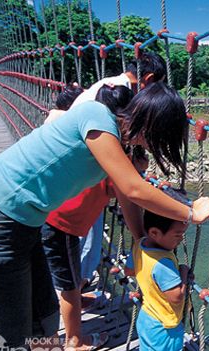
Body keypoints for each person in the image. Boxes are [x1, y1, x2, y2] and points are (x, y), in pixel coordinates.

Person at [0, 82, 209, 351]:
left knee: (42, 326)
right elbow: (134, 187)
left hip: (24, 226)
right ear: (149, 121)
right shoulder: (97, 117)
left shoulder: (119, 145)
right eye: (156, 137)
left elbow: (126, 196)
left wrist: (141, 246)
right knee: (4, 346)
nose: (150, 145)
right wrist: (190, 213)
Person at [41, 85, 135, 351]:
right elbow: (128, 191)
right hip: (61, 225)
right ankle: (74, 341)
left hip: (58, 219)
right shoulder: (107, 151)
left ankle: (77, 304)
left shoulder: (92, 141)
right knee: (68, 284)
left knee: (70, 277)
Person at [73, 53, 167, 290]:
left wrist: (140, 239)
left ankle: (77, 284)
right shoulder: (117, 96)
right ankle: (78, 284)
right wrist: (189, 214)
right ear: (148, 78)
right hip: (83, 176)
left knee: (84, 230)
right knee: (84, 229)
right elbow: (130, 187)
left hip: (83, 169)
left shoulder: (109, 87)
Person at [123, 192, 192, 351]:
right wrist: (183, 272)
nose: (180, 240)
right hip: (164, 325)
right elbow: (177, 296)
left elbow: (129, 270)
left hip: (146, 317)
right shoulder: (163, 263)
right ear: (154, 232)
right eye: (177, 235)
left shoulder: (141, 244)